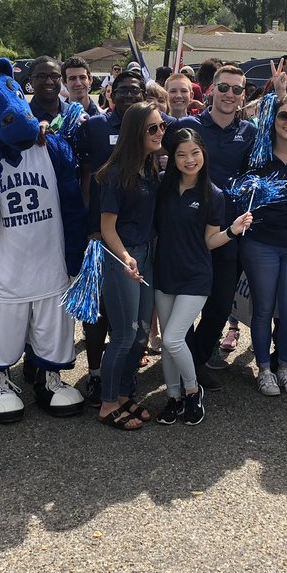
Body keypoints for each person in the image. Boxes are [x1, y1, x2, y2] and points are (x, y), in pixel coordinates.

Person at [164, 64, 260, 391]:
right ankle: (185, 360)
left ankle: (197, 359)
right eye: (224, 88)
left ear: (243, 95)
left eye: (236, 89)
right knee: (181, 303)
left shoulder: (250, 132)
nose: (229, 94)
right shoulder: (188, 125)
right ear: (210, 90)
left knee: (219, 305)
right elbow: (155, 151)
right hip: (186, 233)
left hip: (226, 233)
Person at [153, 129, 252, 425]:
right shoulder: (162, 187)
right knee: (171, 346)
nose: (189, 160)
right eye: (181, 154)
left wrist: (233, 231)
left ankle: (193, 390)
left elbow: (210, 241)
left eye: (195, 153)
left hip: (196, 275)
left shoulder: (214, 194)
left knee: (172, 338)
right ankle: (173, 397)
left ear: (203, 154)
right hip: (164, 273)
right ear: (173, 159)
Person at [76, 68, 147, 404]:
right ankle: (94, 373)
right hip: (101, 232)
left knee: (127, 316)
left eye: (136, 91)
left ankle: (121, 375)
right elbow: (86, 176)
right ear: (110, 94)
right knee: (100, 311)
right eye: (123, 91)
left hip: (135, 233)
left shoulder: (152, 128)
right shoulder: (93, 127)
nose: (129, 96)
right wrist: (91, 228)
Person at [95, 103, 165, 429]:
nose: (160, 132)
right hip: (121, 257)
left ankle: (123, 395)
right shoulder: (114, 175)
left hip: (146, 255)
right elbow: (107, 227)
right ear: (135, 132)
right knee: (123, 336)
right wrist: (125, 258)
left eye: (162, 126)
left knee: (140, 336)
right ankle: (108, 403)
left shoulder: (150, 170)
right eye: (153, 128)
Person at [242, 94, 287, 395]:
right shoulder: (257, 154)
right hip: (261, 241)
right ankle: (263, 368)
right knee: (262, 310)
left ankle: (285, 366)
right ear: (273, 119)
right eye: (283, 116)